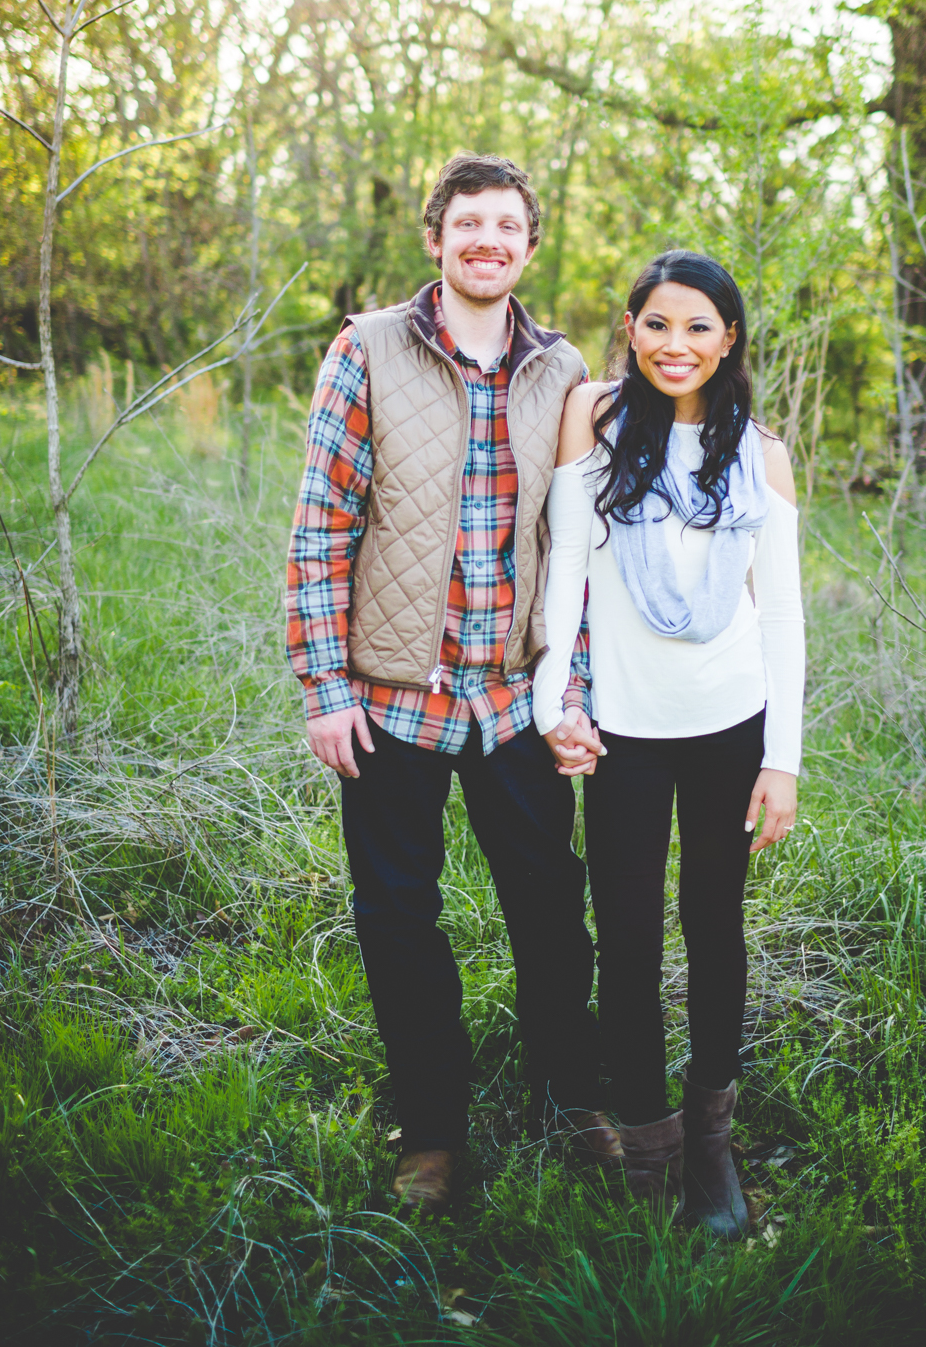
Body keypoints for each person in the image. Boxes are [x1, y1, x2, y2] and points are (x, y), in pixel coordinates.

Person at [284, 152, 621, 1215]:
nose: (486, 240)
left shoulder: (564, 373)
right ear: (433, 238)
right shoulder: (366, 349)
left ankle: (573, 1102)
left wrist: (577, 694)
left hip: (515, 698)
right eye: (466, 222)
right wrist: (323, 686)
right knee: (397, 916)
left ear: (529, 244)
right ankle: (430, 1133)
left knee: (552, 915)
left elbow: (587, 549)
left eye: (506, 225)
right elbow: (320, 525)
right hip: (390, 700)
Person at [531, 249, 804, 1241]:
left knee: (714, 928)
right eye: (655, 324)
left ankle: (710, 1148)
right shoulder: (594, 423)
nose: (674, 344)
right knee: (629, 941)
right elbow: (564, 573)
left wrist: (783, 759)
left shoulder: (758, 453)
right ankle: (645, 1144)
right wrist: (548, 701)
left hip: (729, 724)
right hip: (623, 736)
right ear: (629, 330)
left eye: (697, 326)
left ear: (728, 338)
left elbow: (781, 618)